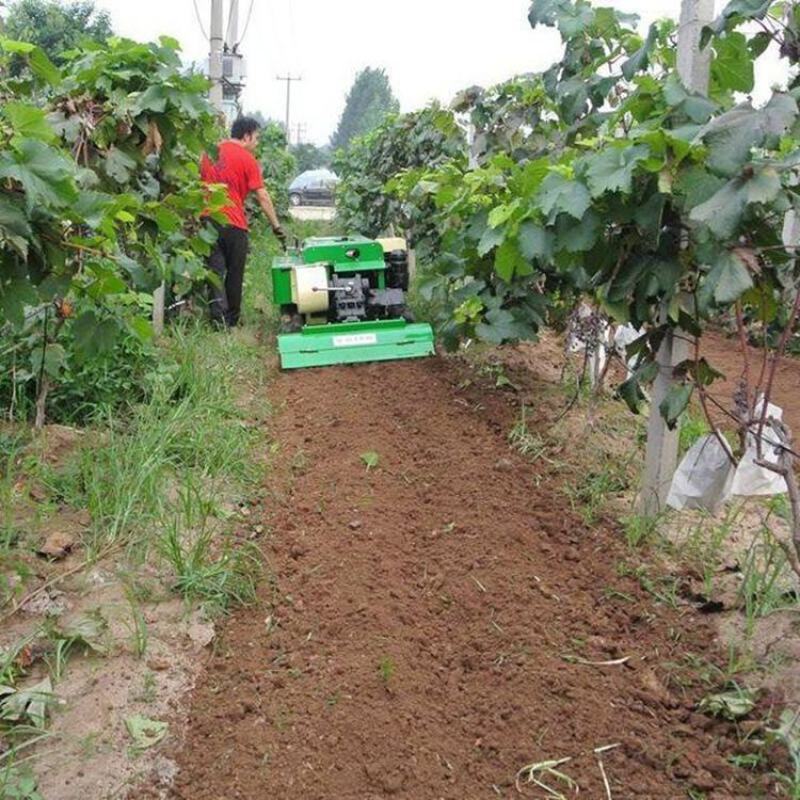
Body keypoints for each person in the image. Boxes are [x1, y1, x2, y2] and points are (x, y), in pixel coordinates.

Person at [200, 116, 286, 327]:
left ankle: (218, 321)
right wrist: (276, 225)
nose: (256, 143)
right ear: (246, 136)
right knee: (235, 272)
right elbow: (262, 196)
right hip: (234, 224)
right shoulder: (248, 159)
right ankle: (231, 319)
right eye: (256, 138)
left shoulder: (208, 154)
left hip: (208, 221)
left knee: (215, 271)